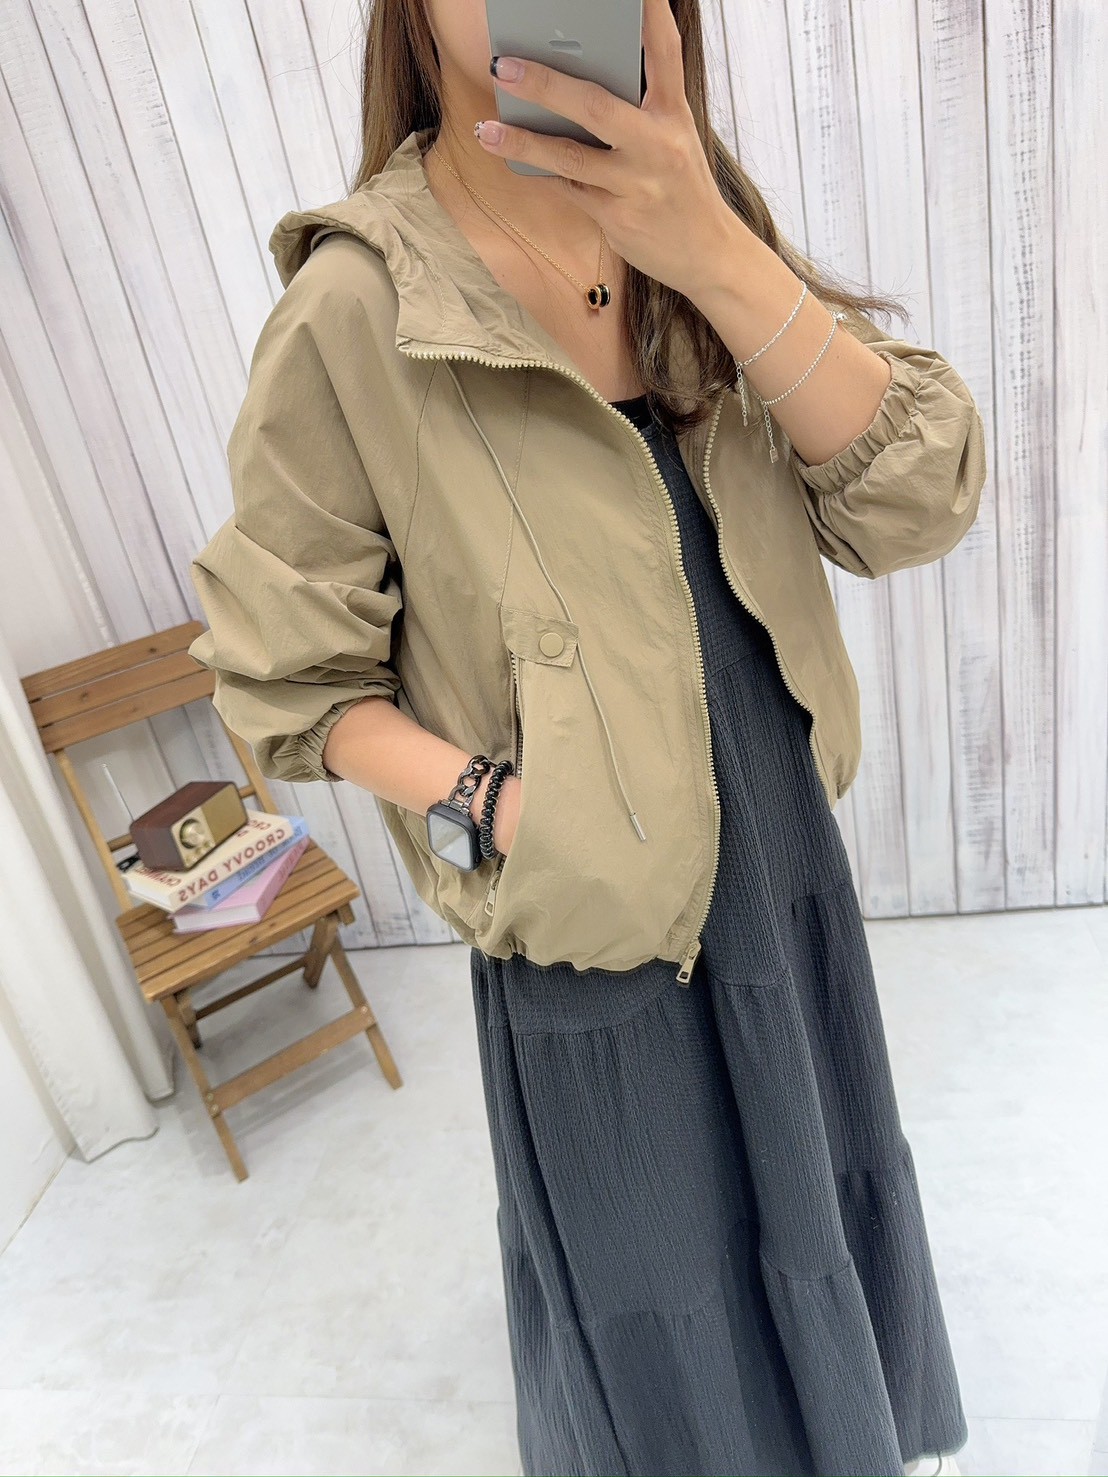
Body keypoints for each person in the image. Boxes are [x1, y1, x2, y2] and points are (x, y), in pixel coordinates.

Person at [187, 1, 986, 1472]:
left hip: (782, 871)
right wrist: (510, 814)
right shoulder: (358, 306)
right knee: (657, 1306)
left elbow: (915, 501)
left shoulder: (699, 229)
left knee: (821, 1210)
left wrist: (715, 248)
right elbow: (292, 685)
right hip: (588, 935)